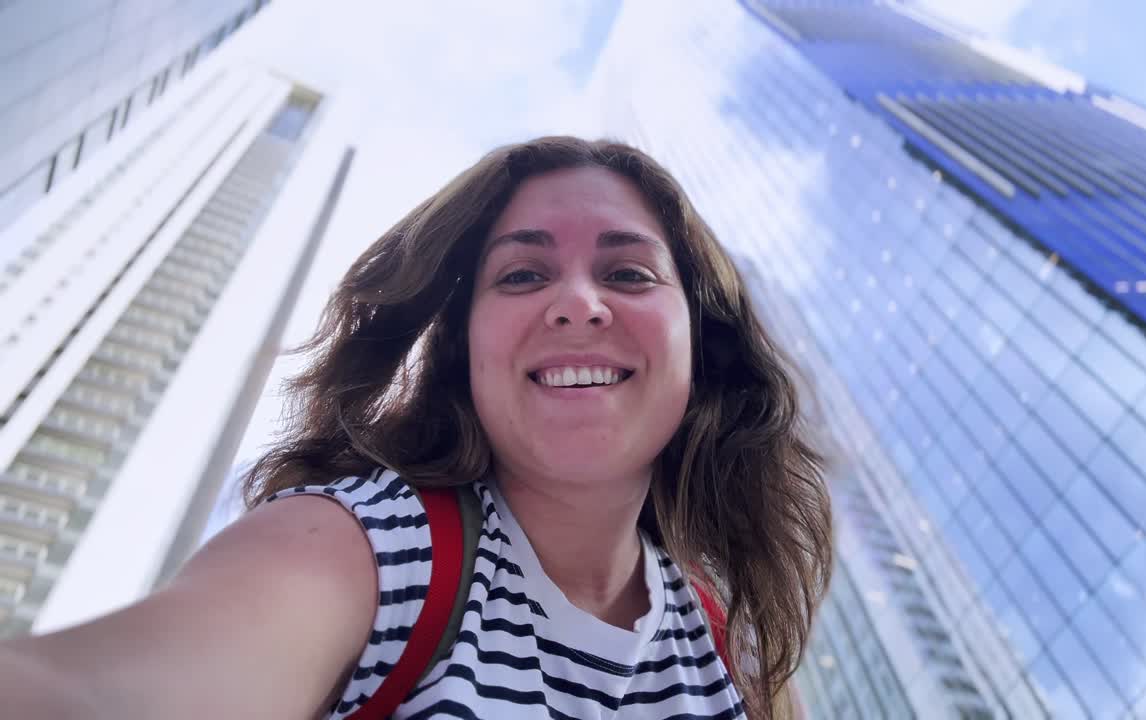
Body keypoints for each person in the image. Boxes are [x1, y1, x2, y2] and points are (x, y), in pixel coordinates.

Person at [1, 136, 833, 719]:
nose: (578, 303)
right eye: (521, 274)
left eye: (627, 272)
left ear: (702, 342)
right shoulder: (358, 550)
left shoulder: (730, 650)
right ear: (464, 347)